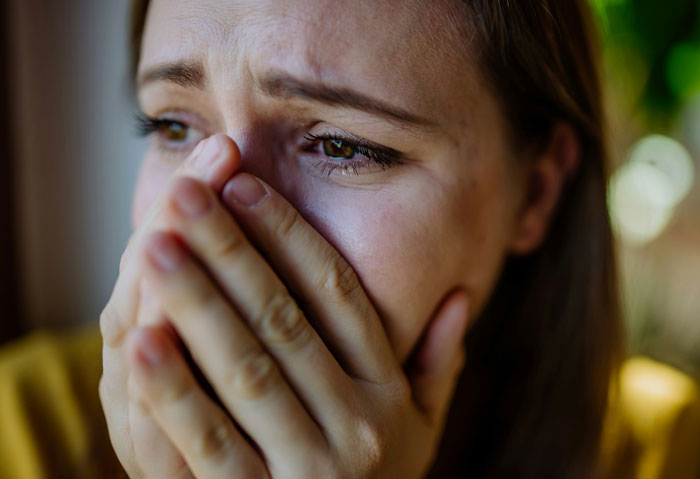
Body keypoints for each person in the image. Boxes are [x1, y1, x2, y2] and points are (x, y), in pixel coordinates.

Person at [96, 1, 623, 477]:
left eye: (340, 147)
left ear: (533, 194)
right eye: (174, 128)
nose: (214, 220)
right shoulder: (21, 426)